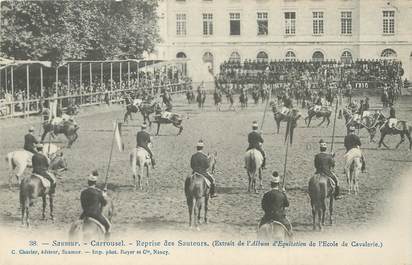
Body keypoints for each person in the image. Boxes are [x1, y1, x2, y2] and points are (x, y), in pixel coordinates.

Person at [80, 170, 111, 238]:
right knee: (108, 226)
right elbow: (104, 203)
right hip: (95, 215)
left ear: (88, 182)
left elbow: (83, 204)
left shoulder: (83, 192)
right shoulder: (98, 193)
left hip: (84, 214)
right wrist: (104, 195)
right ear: (95, 183)